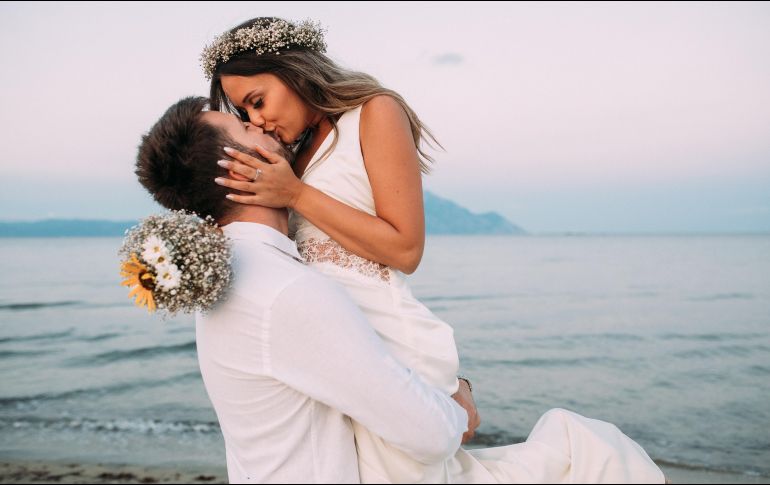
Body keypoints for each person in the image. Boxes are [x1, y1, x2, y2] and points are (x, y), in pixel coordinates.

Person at [202, 17, 665, 483]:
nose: (256, 120)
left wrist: (297, 195)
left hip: (392, 345)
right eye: (245, 114)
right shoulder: (291, 156)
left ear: (293, 70)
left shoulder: (374, 112)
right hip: (345, 359)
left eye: (257, 102)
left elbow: (405, 248)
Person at [134, 96, 472, 483]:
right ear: (239, 170)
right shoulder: (286, 290)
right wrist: (458, 399)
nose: (258, 124)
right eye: (245, 127)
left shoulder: (231, 279)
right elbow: (432, 435)